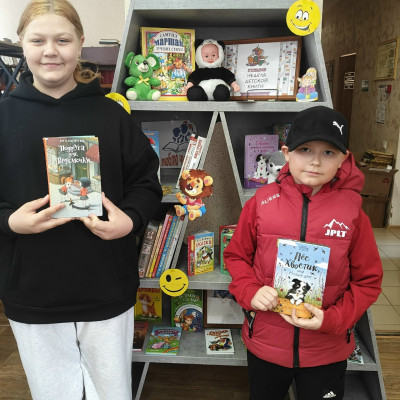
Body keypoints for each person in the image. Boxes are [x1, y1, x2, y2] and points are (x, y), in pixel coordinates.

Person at [0, 1, 162, 399]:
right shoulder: (3, 117)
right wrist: (9, 221)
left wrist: (131, 219)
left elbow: (146, 183)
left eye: (62, 40)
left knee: (112, 391)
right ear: (22, 44)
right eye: (37, 40)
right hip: (32, 290)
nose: (50, 51)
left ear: (80, 43)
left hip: (106, 285)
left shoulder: (112, 115)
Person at [224, 106, 383, 400]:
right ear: (286, 153)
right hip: (267, 345)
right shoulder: (261, 202)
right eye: (305, 149)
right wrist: (250, 290)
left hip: (326, 350)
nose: (315, 161)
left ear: (343, 158)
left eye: (328, 152)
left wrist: (333, 320)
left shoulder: (352, 213)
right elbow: (236, 256)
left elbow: (368, 281)